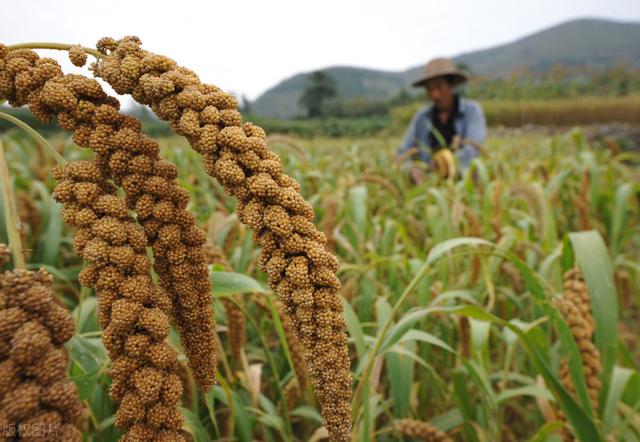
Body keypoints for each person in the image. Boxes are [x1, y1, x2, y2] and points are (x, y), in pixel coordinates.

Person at [397, 57, 486, 184]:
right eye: (429, 89)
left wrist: (444, 163)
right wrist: (411, 169)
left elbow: (473, 149)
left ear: (451, 86)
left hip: (465, 184)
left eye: (439, 87)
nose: (435, 94)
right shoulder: (421, 118)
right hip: (431, 186)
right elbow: (403, 153)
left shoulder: (472, 111)